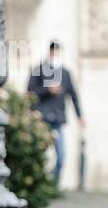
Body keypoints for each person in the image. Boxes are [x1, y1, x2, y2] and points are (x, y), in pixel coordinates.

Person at [27, 40, 85, 186]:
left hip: (57, 120)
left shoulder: (65, 74)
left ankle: (53, 185)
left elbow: (73, 95)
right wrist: (48, 90)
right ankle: (39, 184)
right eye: (53, 51)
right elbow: (30, 91)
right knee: (39, 155)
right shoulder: (39, 70)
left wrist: (80, 116)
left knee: (61, 156)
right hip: (42, 120)